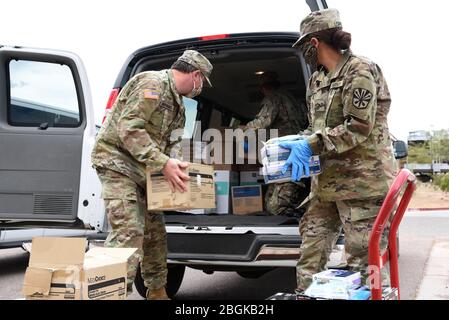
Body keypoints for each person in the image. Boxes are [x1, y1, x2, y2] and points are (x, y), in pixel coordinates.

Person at [281, 8, 396, 292]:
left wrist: (311, 144)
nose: (304, 51)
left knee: (365, 264)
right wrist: (296, 141)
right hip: (326, 185)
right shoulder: (316, 80)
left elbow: (358, 126)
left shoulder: (361, 70)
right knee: (310, 254)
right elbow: (317, 126)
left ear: (314, 42)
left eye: (303, 45)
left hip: (362, 186)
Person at [91, 50, 213, 299]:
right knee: (129, 232)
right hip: (118, 163)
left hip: (145, 170)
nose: (201, 88)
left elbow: (172, 144)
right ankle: (108, 294)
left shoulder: (179, 104)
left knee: (155, 234)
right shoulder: (152, 83)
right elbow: (129, 127)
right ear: (196, 75)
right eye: (202, 82)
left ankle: (157, 292)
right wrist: (163, 163)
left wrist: (175, 166)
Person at [244, 71, 309, 216]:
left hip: (284, 153)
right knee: (275, 196)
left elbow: (261, 123)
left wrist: (242, 130)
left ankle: (290, 218)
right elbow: (305, 122)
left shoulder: (274, 98)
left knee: (276, 207)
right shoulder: (293, 100)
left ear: (263, 88)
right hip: (297, 150)